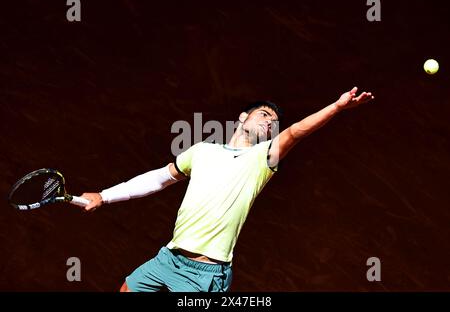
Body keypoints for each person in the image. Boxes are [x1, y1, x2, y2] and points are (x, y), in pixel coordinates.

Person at [79, 86, 374, 292]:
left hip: (205, 275)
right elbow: (159, 178)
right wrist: (104, 196)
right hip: (168, 258)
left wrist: (337, 106)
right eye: (264, 114)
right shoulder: (202, 151)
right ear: (243, 118)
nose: (270, 121)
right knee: (128, 288)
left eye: (274, 122)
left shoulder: (263, 160)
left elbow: (296, 131)